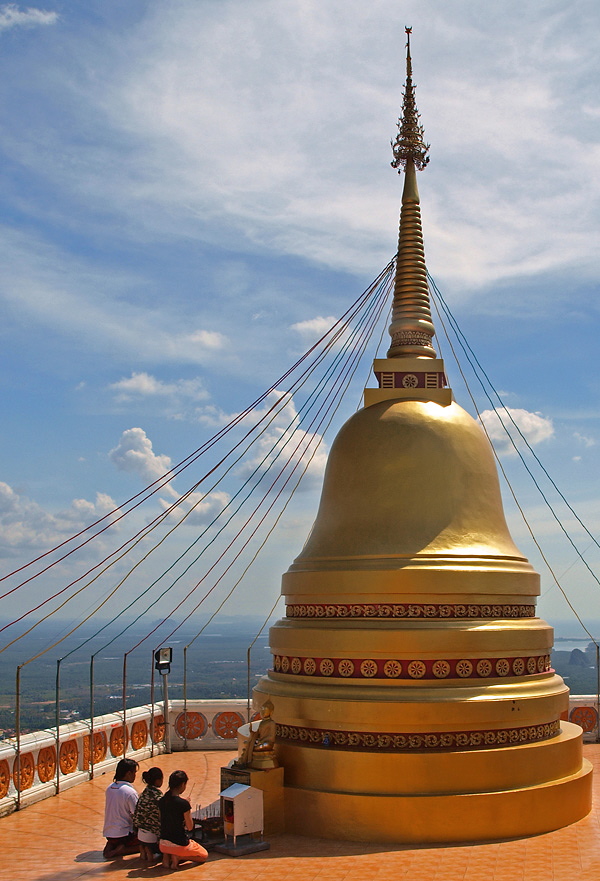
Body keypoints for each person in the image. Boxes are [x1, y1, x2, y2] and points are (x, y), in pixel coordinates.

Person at [159, 770, 208, 869]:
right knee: (203, 856)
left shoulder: (162, 801)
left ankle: (167, 856)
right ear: (182, 784)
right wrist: (187, 806)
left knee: (169, 845)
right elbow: (190, 827)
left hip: (163, 844)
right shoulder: (183, 804)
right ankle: (179, 857)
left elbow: (162, 819)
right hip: (179, 843)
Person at [102, 757, 140, 859]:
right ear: (128, 773)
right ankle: (121, 850)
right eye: (134, 773)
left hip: (109, 832)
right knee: (147, 842)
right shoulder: (130, 792)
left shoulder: (110, 788)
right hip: (124, 833)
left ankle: (113, 845)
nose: (135, 776)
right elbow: (137, 814)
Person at [132, 766, 164, 862]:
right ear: (158, 780)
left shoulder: (143, 794)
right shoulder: (158, 796)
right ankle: (150, 851)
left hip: (140, 832)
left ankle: (143, 849)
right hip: (152, 833)